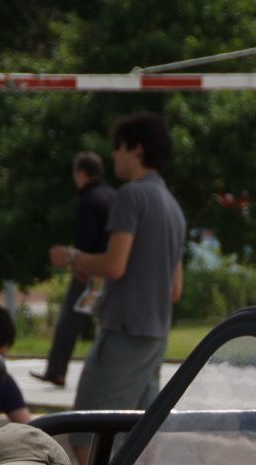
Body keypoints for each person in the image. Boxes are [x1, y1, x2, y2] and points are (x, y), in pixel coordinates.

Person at [56, 113, 185, 411]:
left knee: (86, 427)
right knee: (137, 435)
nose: (113, 155)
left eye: (118, 147)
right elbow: (175, 289)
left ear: (137, 148)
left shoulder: (130, 196)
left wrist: (72, 256)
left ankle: (99, 463)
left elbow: (115, 265)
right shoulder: (173, 206)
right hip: (156, 334)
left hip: (124, 331)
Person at [37, 151, 117, 386]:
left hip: (90, 270)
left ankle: (56, 370)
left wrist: (78, 263)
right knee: (108, 321)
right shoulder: (115, 195)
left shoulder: (88, 199)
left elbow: (86, 238)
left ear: (81, 174)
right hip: (114, 270)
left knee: (70, 320)